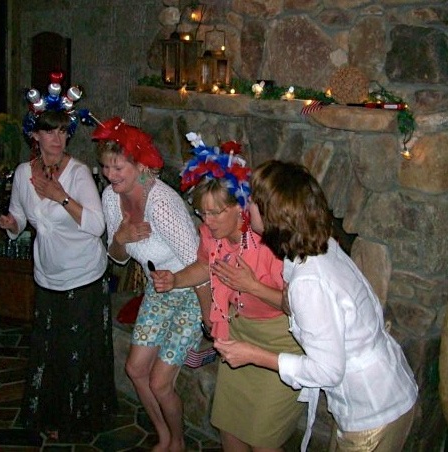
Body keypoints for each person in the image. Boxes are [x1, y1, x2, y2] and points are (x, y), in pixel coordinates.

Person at [215, 160, 419, 452]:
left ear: (273, 216)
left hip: (373, 410)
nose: (246, 204)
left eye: (254, 201)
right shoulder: (318, 245)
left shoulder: (309, 282)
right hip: (383, 393)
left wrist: (254, 355)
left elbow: (326, 371)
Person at [151, 135, 305, 452]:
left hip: (279, 342)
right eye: (202, 214)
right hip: (237, 334)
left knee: (264, 440)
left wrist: (252, 286)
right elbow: (205, 266)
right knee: (230, 432)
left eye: (216, 213)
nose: (207, 222)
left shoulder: (270, 242)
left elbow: (299, 306)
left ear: (239, 206)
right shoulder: (211, 233)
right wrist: (174, 279)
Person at [0, 76, 117, 442]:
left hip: (83, 276)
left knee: (76, 353)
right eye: (49, 133)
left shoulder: (78, 173)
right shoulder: (22, 173)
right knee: (49, 352)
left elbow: (97, 226)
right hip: (46, 276)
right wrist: (12, 223)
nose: (58, 139)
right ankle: (48, 415)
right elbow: (19, 216)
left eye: (63, 132)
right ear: (35, 135)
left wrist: (61, 196)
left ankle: (79, 419)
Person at [92, 117, 202, 452]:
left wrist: (212, 318)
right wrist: (121, 239)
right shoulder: (112, 198)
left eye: (118, 167)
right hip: (158, 291)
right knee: (135, 369)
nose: (111, 176)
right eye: (106, 167)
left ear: (141, 165)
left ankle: (178, 442)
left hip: (191, 294)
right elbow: (119, 258)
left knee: (159, 381)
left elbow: (204, 265)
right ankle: (164, 435)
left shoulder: (163, 203)